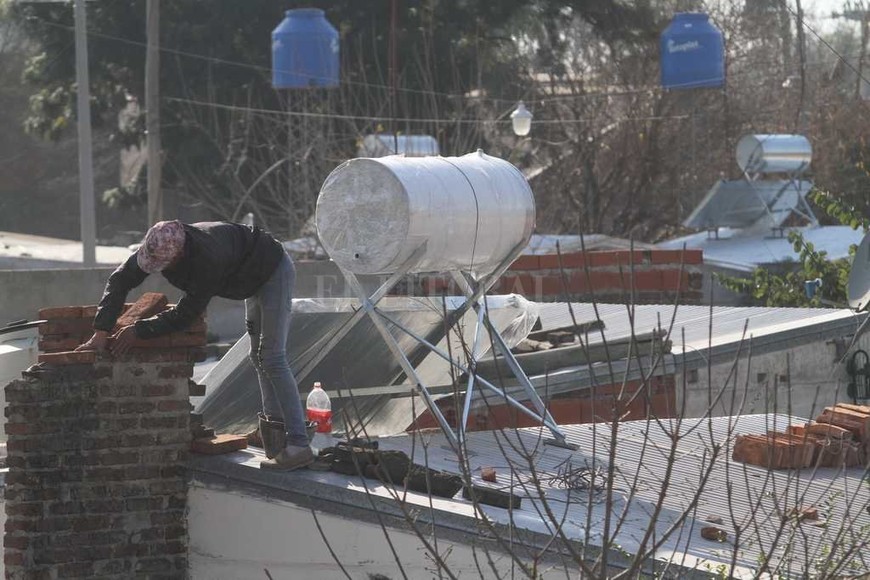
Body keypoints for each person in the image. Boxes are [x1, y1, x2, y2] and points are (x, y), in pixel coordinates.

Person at [77, 220, 313, 471]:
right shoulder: (159, 243)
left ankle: (298, 445)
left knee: (272, 357)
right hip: (247, 274)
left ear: (178, 254)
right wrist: (101, 331)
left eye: (161, 266)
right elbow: (120, 280)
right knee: (257, 356)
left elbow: (186, 314)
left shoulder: (207, 260)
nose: (156, 270)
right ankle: (273, 432)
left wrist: (139, 330)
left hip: (272, 270)